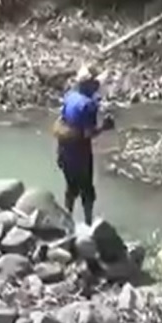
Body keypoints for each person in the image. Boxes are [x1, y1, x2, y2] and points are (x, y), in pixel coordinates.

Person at [54, 64, 115, 225]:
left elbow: (63, 121)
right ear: (89, 84)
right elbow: (88, 133)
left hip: (64, 150)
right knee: (87, 191)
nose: (97, 85)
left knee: (71, 188)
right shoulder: (89, 105)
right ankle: (88, 225)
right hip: (80, 154)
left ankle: (67, 221)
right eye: (95, 83)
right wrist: (105, 127)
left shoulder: (70, 96)